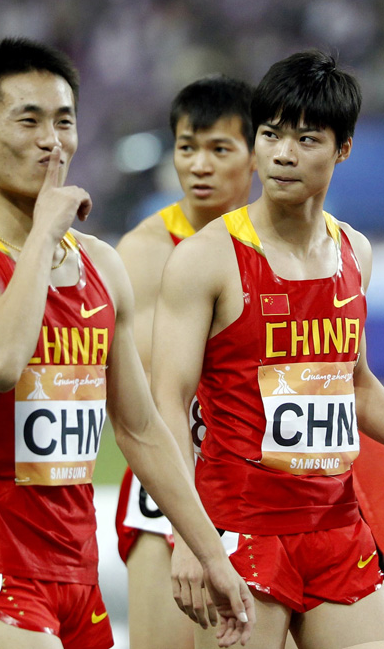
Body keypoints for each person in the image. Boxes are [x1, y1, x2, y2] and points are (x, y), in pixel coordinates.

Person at [0, 38, 253, 649]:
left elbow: (141, 429)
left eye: (64, 122)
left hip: (76, 574)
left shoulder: (102, 266)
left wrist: (210, 552)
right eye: (29, 121)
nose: (52, 141)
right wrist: (43, 232)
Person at [151, 49, 384, 649]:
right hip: (241, 531)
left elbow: (354, 384)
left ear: (343, 149)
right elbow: (168, 404)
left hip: (336, 532)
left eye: (306, 139)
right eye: (270, 135)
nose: (283, 154)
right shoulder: (206, 258)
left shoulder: (354, 253)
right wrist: (189, 537)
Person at [113, 74, 264, 649]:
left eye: (219, 149)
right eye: (186, 147)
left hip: (266, 480)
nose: (199, 165)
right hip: (175, 476)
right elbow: (152, 398)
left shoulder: (280, 243)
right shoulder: (146, 252)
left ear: (255, 156)